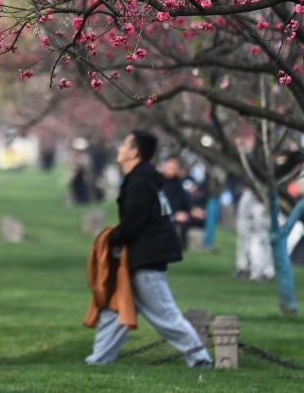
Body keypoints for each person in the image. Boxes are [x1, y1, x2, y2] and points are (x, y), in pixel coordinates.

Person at [86, 130, 213, 368]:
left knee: (165, 315)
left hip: (147, 257)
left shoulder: (140, 181)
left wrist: (109, 238)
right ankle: (99, 360)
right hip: (138, 256)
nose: (119, 149)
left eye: (124, 145)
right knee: (116, 311)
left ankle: (200, 360)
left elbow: (134, 224)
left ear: (134, 152)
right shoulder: (142, 178)